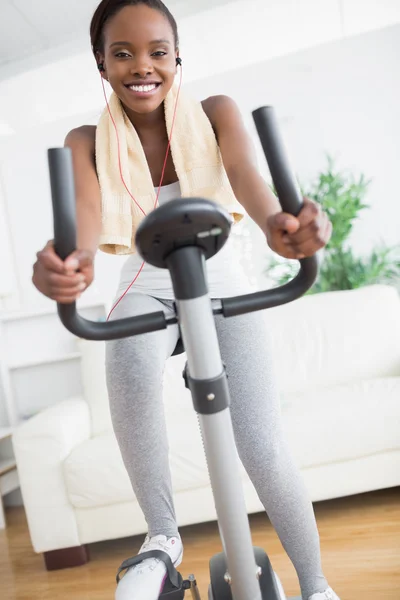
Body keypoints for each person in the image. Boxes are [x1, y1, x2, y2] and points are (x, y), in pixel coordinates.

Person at [32, 1, 340, 599]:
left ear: (177, 59)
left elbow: (253, 186)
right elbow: (87, 228)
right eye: (122, 54)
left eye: (157, 52)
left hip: (221, 277)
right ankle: (162, 536)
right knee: (126, 364)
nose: (141, 66)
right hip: (143, 278)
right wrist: (69, 269)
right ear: (101, 63)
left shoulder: (216, 113)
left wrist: (287, 227)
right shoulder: (86, 139)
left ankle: (318, 586)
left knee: (262, 444)